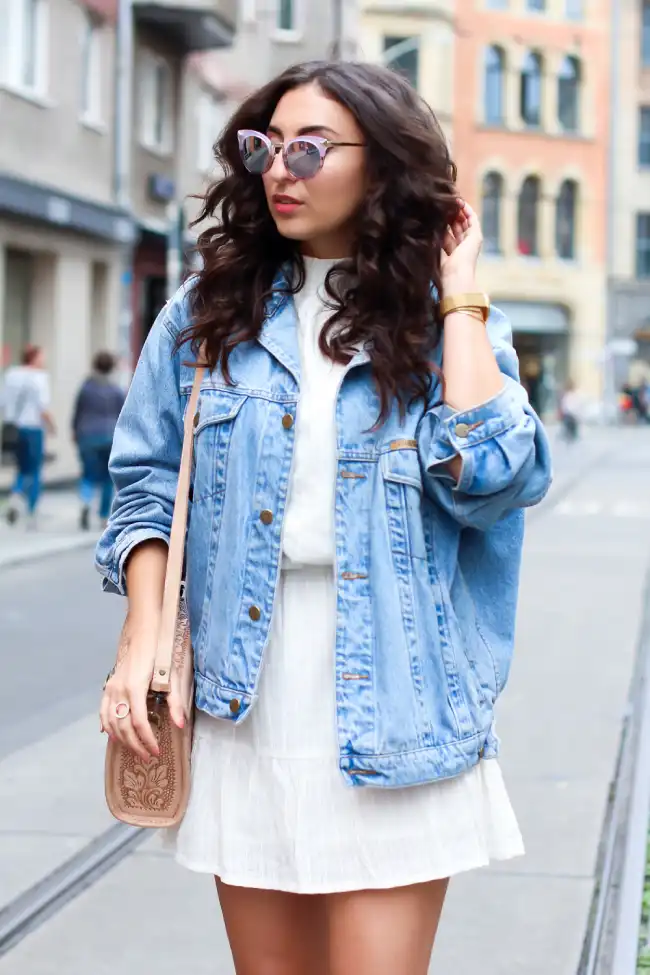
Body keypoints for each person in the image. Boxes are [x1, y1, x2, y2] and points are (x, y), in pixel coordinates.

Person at [96, 61, 552, 974]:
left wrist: (458, 288)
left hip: (399, 695)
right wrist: (143, 634)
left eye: (311, 147)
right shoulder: (204, 314)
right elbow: (145, 478)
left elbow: (494, 479)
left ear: (380, 165)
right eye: (265, 146)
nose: (280, 169)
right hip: (245, 699)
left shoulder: (440, 322)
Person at [1, 344, 55, 526]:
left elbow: (3, 402)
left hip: (14, 429)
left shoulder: (11, 375)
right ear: (34, 358)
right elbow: (43, 407)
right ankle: (29, 508)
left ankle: (16, 496)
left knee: (22, 467)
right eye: (42, 356)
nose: (44, 360)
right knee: (34, 470)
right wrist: (52, 425)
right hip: (33, 428)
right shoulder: (39, 377)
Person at [72, 351, 125, 530]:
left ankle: (85, 502)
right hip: (109, 437)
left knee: (87, 474)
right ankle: (103, 516)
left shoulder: (86, 388)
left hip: (87, 435)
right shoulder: (116, 390)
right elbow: (123, 417)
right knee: (107, 478)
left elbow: (77, 412)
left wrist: (74, 431)